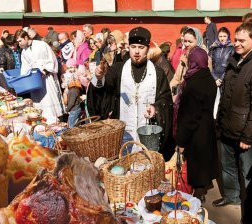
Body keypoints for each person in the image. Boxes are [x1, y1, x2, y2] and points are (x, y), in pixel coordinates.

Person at [87, 27, 174, 161]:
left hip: (147, 135)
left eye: (141, 47)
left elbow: (166, 100)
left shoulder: (157, 73)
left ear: (147, 48)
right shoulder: (118, 70)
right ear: (128, 47)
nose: (137, 51)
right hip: (122, 136)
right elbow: (103, 93)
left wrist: (156, 108)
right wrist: (98, 78)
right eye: (133, 47)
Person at [213, 23, 252, 224]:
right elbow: (225, 92)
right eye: (235, 39)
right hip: (227, 127)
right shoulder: (233, 59)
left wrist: (247, 137)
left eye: (241, 40)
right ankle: (231, 196)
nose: (236, 43)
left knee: (248, 175)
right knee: (227, 167)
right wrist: (219, 121)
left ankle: (251, 216)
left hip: (244, 133)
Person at [176, 46, 218, 202]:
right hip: (207, 128)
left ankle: (196, 198)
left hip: (196, 133)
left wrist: (181, 141)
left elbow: (189, 117)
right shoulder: (208, 78)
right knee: (203, 164)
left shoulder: (194, 84)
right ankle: (200, 192)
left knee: (196, 166)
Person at [16, 29, 64, 123]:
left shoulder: (41, 45)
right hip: (34, 81)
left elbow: (52, 59)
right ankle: (43, 121)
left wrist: (45, 71)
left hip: (47, 77)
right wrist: (25, 79)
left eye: (20, 41)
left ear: (26, 37)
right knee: (39, 103)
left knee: (49, 100)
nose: (19, 44)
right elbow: (25, 67)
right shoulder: (24, 51)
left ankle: (56, 122)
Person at [208, 27, 234, 118]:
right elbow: (209, 65)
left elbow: (231, 65)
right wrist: (215, 78)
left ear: (228, 36)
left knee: (225, 101)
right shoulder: (213, 48)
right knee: (213, 100)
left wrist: (222, 78)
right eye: (220, 36)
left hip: (226, 78)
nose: (222, 38)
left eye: (224, 36)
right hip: (214, 77)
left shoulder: (232, 49)